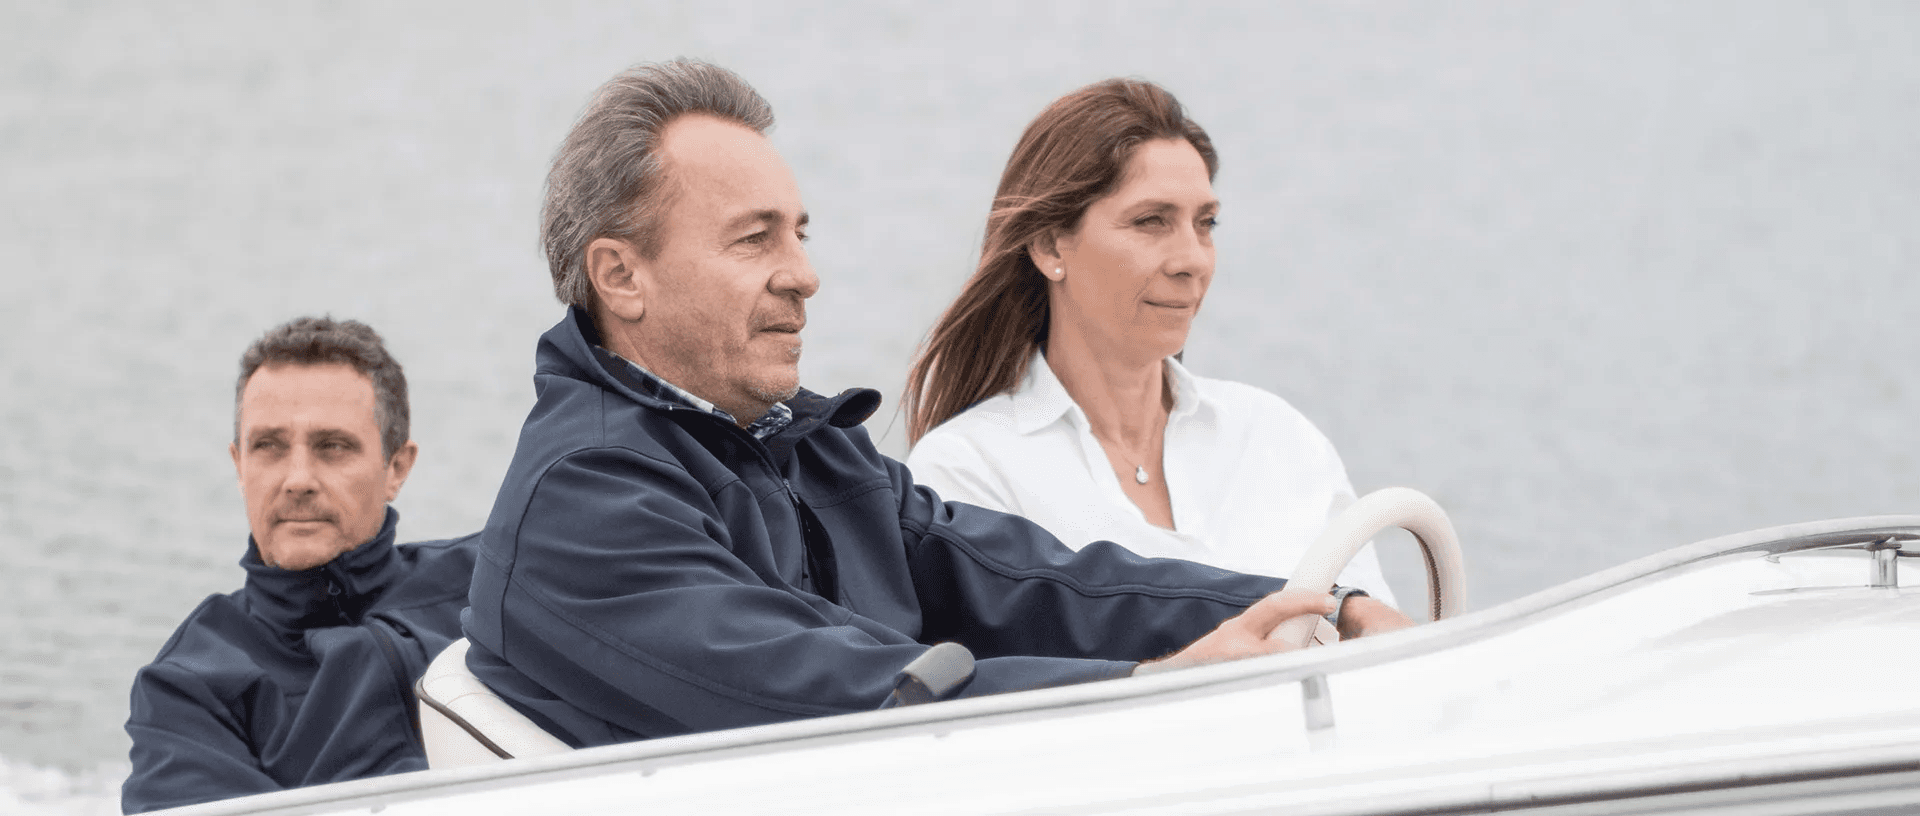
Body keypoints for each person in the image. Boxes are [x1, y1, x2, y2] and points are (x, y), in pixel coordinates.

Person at [464, 59, 1411, 750]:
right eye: (755, 241)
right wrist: (1146, 689)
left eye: (799, 234)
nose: (805, 275)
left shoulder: (799, 448)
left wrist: (1310, 603)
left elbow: (1032, 579)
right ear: (620, 276)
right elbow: (834, 701)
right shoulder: (585, 501)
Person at [903, 78, 1396, 604]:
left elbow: (1386, 652)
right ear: (1050, 246)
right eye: (1151, 221)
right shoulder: (968, 471)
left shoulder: (1278, 437)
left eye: (1205, 224)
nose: (1193, 260)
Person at [122, 317, 478, 813]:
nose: (298, 479)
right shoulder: (190, 685)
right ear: (239, 466)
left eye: (333, 447)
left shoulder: (488, 587)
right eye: (268, 447)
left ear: (396, 467)